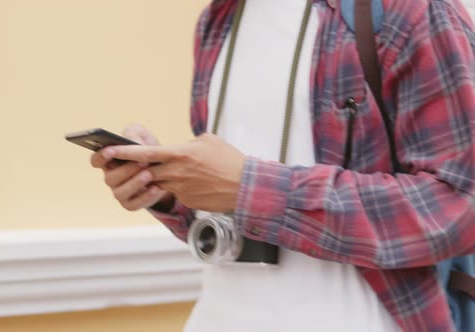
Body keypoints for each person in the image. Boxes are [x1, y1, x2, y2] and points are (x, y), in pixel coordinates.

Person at [90, 0, 475, 331]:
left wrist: (249, 188)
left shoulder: (408, 11)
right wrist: (168, 189)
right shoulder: (217, 20)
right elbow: (237, 209)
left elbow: (458, 207)